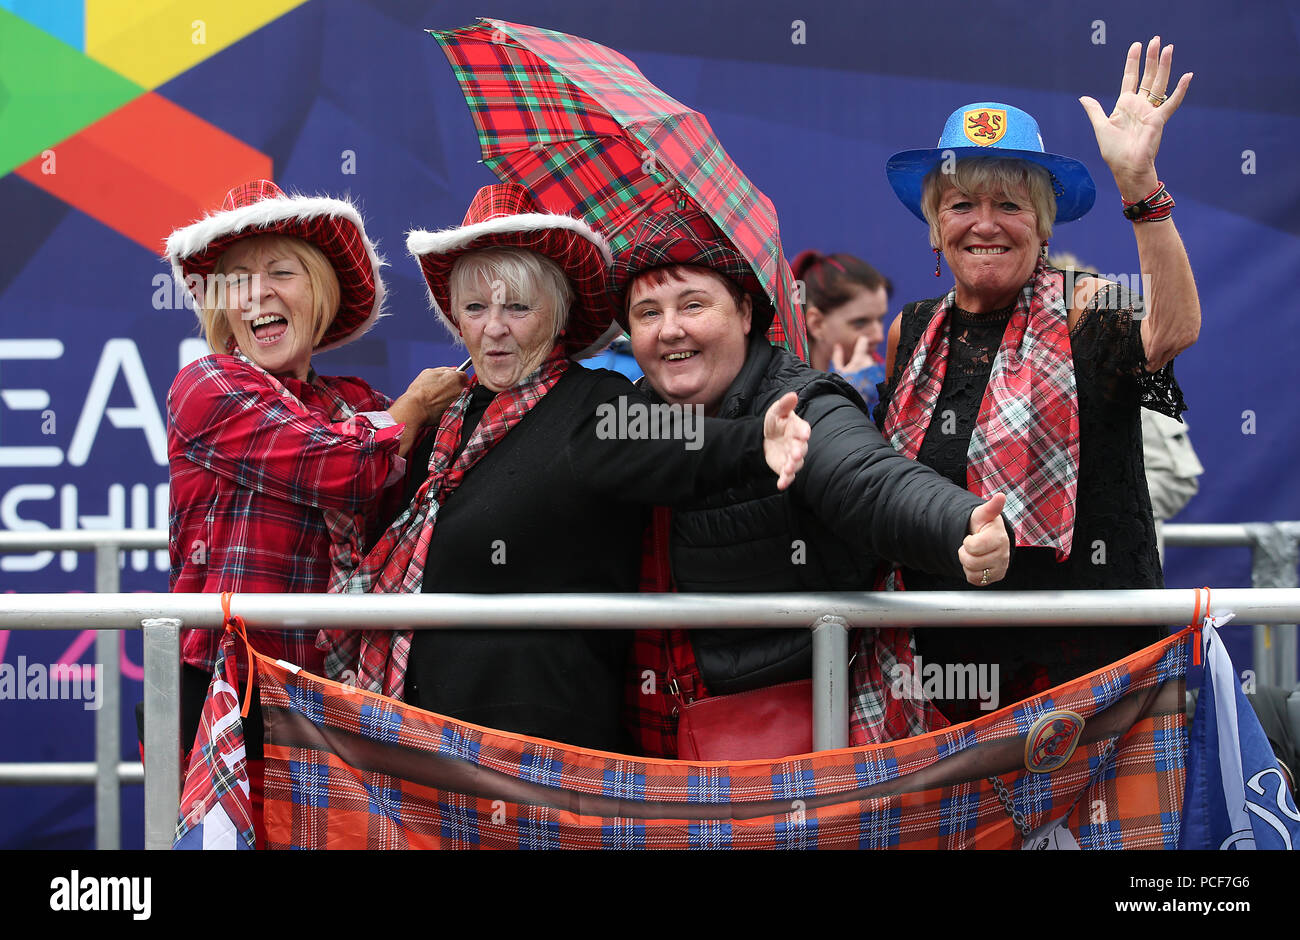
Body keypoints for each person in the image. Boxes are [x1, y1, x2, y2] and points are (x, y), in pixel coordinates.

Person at [320, 183, 812, 753]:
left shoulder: (591, 404)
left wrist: (758, 441)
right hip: (419, 745)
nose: (494, 327)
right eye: (476, 308)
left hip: (542, 759)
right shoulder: (445, 419)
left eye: (518, 307)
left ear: (558, 317)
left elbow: (674, 443)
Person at [608, 207, 1014, 756]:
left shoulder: (802, 401)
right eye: (647, 312)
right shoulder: (622, 418)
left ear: (746, 312)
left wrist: (958, 524)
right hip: (645, 736)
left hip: (797, 743)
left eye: (694, 305)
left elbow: (868, 481)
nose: (670, 329)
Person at [877, 37, 1200, 721]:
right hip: (946, 677)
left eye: (1010, 206)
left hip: (1095, 677)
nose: (985, 224)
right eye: (962, 204)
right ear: (935, 227)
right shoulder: (909, 331)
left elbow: (1172, 332)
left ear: (1042, 225)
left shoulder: (1090, 304)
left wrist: (1141, 190)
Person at [164, 180, 465, 836]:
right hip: (228, 682)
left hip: (335, 691)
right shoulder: (206, 384)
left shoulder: (352, 399)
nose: (257, 293)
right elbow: (346, 465)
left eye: (280, 272)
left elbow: (437, 480)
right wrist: (410, 411)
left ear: (321, 293)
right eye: (237, 279)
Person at [793, 250, 892, 412]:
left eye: (880, 319)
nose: (879, 336)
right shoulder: (781, 389)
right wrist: (846, 397)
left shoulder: (886, 381)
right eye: (860, 322)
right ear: (816, 324)